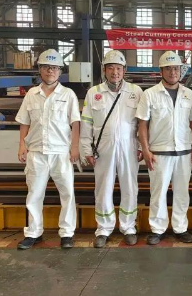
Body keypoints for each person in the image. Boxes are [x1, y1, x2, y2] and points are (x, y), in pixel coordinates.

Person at [15, 49, 80, 250]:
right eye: (46, 67)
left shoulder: (68, 95)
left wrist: (75, 147)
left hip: (61, 152)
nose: (50, 71)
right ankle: (33, 233)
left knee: (67, 193)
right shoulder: (31, 95)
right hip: (36, 151)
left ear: (60, 71)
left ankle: (67, 233)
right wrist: (22, 145)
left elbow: (75, 123)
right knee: (34, 194)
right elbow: (24, 122)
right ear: (40, 70)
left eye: (54, 67)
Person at [80, 50, 143, 248]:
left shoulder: (135, 92)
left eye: (118, 68)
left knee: (129, 186)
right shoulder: (94, 93)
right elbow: (86, 123)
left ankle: (128, 227)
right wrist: (86, 149)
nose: (115, 72)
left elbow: (143, 123)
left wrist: (142, 146)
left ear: (124, 70)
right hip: (103, 147)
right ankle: (103, 228)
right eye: (110, 68)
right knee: (103, 187)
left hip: (129, 146)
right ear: (104, 70)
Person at [136, 51, 192, 245]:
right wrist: (145, 150)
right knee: (158, 192)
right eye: (169, 69)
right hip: (158, 153)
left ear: (181, 71)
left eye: (176, 69)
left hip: (183, 152)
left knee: (182, 193)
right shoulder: (150, 95)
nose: (173, 73)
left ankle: (180, 228)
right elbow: (142, 124)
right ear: (161, 71)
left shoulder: (189, 95)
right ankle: (158, 229)